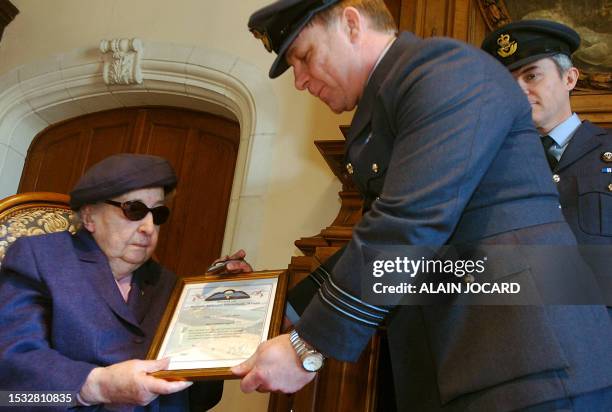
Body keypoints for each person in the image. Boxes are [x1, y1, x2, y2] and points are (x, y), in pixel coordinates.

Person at [233, 1, 612, 411]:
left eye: (305, 58)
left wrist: (307, 345)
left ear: (351, 24)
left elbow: (408, 224)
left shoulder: (444, 70)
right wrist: (275, 305)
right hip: (479, 365)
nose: (301, 81)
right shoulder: (395, 94)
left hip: (533, 366)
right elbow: (387, 231)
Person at [0, 153, 250, 411]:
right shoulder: (42, 258)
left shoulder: (170, 285)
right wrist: (98, 387)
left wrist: (217, 311)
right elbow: (10, 380)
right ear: (89, 217)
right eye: (135, 210)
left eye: (158, 214)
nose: (149, 227)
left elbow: (198, 399)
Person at [481, 19, 612, 246]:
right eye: (508, 82)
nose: (519, 90)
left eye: (531, 76)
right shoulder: (490, 161)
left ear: (569, 78)